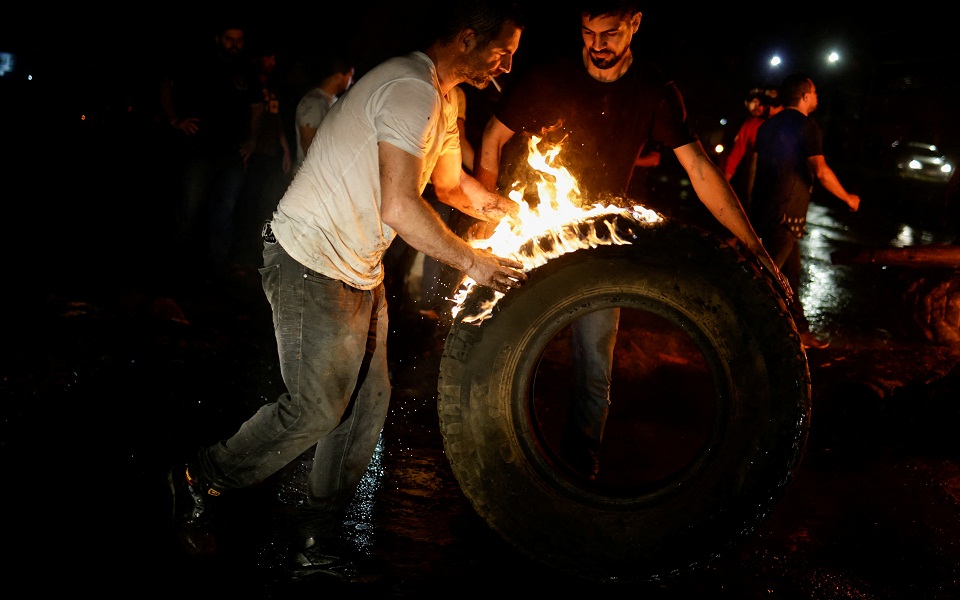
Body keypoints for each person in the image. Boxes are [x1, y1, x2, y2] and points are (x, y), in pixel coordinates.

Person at [168, 0, 527, 581]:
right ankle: (199, 477)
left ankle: (317, 537)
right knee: (315, 407)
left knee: (362, 411)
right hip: (307, 259)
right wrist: (474, 263)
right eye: (503, 53)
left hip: (360, 269)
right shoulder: (409, 88)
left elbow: (451, 186)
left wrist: (507, 210)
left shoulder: (444, 99)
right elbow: (399, 206)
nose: (507, 67)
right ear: (467, 38)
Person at [475, 0, 790, 480]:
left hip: (600, 245)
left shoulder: (654, 89)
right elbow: (493, 139)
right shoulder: (550, 76)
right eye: (587, 32)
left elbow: (701, 171)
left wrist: (757, 249)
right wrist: (487, 215)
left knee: (595, 364)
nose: (597, 46)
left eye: (611, 34)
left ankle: (580, 464)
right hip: (532, 235)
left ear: (635, 24)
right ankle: (487, 452)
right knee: (492, 343)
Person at [747, 72, 861, 350]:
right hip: (787, 216)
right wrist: (847, 197)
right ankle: (745, 336)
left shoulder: (767, 126)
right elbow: (820, 171)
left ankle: (799, 331)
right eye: (815, 92)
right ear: (805, 96)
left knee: (790, 275)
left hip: (764, 211)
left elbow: (752, 171)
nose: (818, 97)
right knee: (765, 279)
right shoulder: (807, 127)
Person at [159, 20, 265, 268]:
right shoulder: (199, 62)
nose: (235, 45)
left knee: (224, 212)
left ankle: (217, 267)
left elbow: (258, 108)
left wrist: (252, 140)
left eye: (239, 40)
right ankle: (175, 263)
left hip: (232, 153)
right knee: (189, 207)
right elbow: (164, 84)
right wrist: (175, 119)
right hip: (198, 150)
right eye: (230, 39)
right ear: (219, 39)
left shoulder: (246, 71)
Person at [292, 51, 355, 174]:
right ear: (338, 76)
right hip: (310, 177)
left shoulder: (337, 102)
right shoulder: (313, 102)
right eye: (350, 76)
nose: (351, 81)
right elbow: (308, 146)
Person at [723, 88, 783, 209]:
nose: (768, 109)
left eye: (773, 105)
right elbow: (736, 155)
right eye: (766, 105)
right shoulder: (751, 125)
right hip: (756, 180)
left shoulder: (786, 125)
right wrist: (723, 182)